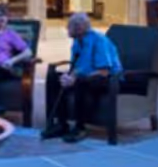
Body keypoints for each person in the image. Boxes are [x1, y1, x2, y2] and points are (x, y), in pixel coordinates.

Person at [41, 13, 123, 143]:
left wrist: (75, 78)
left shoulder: (99, 40)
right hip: (87, 76)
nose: (67, 29)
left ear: (79, 28)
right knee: (54, 78)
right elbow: (77, 66)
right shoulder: (77, 42)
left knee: (80, 82)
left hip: (108, 79)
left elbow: (103, 71)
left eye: (69, 27)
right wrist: (68, 76)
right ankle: (61, 124)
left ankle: (80, 127)